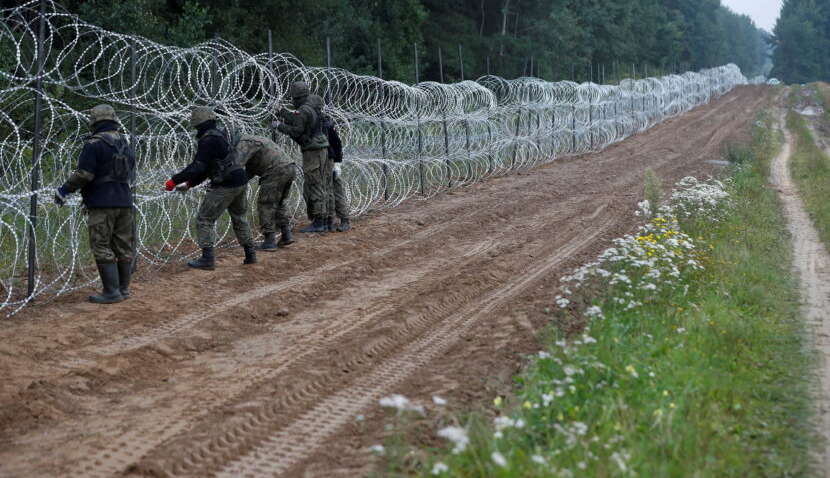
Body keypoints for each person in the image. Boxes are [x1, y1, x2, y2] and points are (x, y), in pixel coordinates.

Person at [54, 104, 136, 304]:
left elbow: (85, 174)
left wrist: (64, 190)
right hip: (125, 200)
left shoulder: (94, 144)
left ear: (94, 122)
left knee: (101, 245)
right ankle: (123, 289)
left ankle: (111, 292)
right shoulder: (125, 143)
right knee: (123, 246)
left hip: (102, 202)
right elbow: (131, 168)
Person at [164, 106, 256, 270]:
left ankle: (207, 259)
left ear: (199, 123)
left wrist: (174, 180)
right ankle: (250, 254)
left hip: (226, 183)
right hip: (239, 180)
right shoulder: (219, 136)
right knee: (239, 217)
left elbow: (198, 166)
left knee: (204, 219)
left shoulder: (208, 140)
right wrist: (190, 184)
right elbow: (209, 168)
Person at [273, 82, 332, 233]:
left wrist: (279, 126)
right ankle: (325, 220)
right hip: (321, 149)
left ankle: (319, 222)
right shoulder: (311, 107)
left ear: (297, 97)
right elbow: (297, 119)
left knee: (314, 184)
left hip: (312, 151)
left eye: (293, 98)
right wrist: (282, 112)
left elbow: (296, 131)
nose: (293, 101)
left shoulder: (303, 110)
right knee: (321, 184)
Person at [234, 135, 297, 250]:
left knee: (266, 205)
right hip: (289, 167)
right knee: (279, 203)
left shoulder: (243, 143)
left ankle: (269, 240)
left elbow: (237, 165)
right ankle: (286, 234)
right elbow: (250, 170)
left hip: (276, 171)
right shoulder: (254, 140)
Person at [322, 115, 351, 232]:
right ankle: (329, 220)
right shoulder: (313, 122)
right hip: (321, 162)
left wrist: (337, 163)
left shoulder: (327, 124)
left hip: (331, 161)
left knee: (337, 191)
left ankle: (344, 220)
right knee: (325, 192)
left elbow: (337, 144)